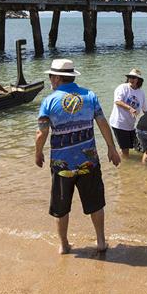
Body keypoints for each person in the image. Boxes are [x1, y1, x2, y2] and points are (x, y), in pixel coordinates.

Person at [35, 58, 121, 255]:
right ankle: (100, 241)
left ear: (56, 78)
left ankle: (64, 245)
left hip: (61, 164)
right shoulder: (89, 96)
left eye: (50, 76)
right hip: (88, 161)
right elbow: (102, 123)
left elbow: (42, 132)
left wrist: (38, 152)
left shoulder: (49, 101)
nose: (50, 79)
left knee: (61, 205)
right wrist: (111, 148)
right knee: (95, 202)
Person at [108, 68, 147, 158]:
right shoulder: (122, 87)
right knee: (125, 150)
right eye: (130, 77)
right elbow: (117, 101)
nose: (131, 79)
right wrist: (130, 108)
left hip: (131, 125)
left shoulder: (141, 93)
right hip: (119, 123)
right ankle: (125, 168)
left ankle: (130, 166)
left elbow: (145, 110)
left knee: (137, 148)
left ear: (139, 80)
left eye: (134, 77)